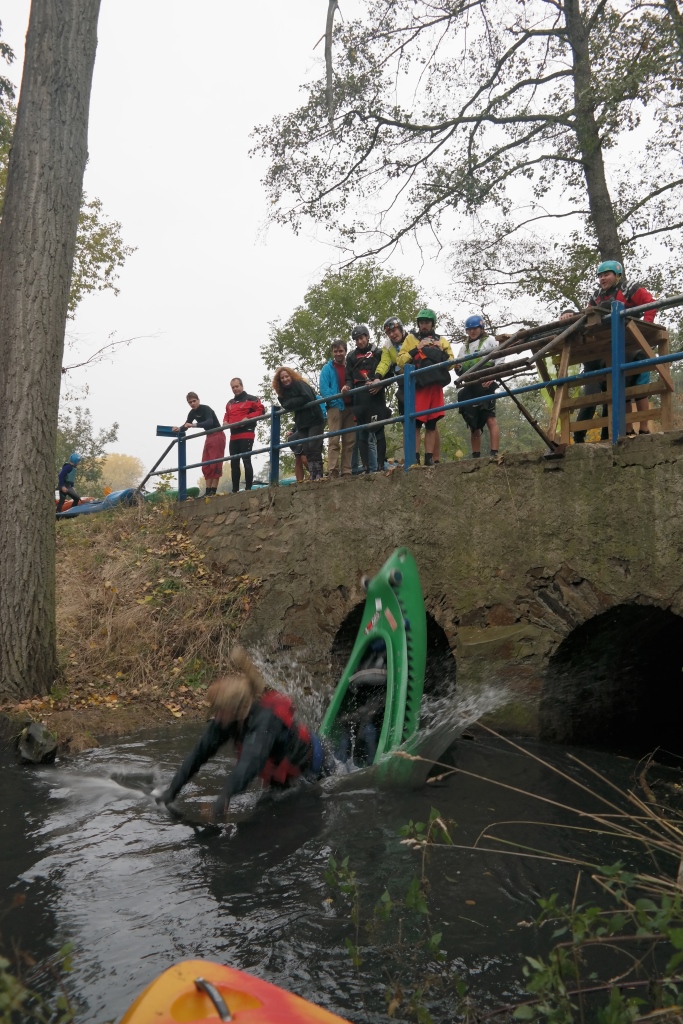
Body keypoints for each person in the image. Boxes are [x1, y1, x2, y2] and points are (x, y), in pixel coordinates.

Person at [155, 647, 331, 819]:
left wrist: (225, 796)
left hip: (314, 770)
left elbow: (250, 763)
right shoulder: (226, 721)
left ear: (237, 710)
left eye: (220, 710)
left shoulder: (265, 722)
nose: (217, 716)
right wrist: (172, 790)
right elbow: (198, 754)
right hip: (284, 779)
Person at [576, 261, 656, 441]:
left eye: (607, 274)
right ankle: (628, 429)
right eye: (600, 275)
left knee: (640, 388)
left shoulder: (628, 288)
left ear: (617, 275)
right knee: (623, 386)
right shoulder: (597, 295)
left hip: (635, 342)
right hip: (617, 346)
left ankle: (644, 428)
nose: (602, 278)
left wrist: (646, 327)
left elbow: (650, 303)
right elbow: (587, 315)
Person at [397, 309, 453, 465]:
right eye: (421, 323)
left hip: (435, 386)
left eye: (427, 322)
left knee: (432, 423)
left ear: (432, 324)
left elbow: (451, 364)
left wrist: (441, 350)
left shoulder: (441, 340)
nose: (424, 325)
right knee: (416, 423)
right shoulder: (411, 338)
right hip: (419, 386)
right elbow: (400, 361)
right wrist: (417, 348)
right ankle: (415, 459)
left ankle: (429, 459)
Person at [454, 315, 501, 459]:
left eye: (475, 328)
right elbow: (459, 369)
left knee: (490, 418)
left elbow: (500, 359)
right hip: (470, 386)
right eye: (469, 329)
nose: (472, 332)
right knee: (473, 423)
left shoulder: (490, 341)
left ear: (481, 328)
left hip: (486, 384)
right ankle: (476, 456)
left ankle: (494, 453)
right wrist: (458, 368)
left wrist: (492, 376)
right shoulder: (464, 347)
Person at [343, 325, 388, 473]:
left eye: (362, 338)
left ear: (367, 337)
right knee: (362, 432)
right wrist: (347, 387)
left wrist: (380, 385)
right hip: (360, 398)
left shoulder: (378, 352)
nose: (360, 341)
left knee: (379, 431)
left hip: (376, 396)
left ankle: (381, 466)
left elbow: (388, 373)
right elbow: (349, 378)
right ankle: (366, 468)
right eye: (356, 339)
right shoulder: (351, 357)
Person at [272, 367, 325, 480]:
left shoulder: (300, 384)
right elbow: (284, 404)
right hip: (301, 422)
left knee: (314, 446)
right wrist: (294, 403)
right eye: (282, 378)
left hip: (314, 418)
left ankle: (319, 475)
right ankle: (313, 475)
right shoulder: (283, 392)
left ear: (291, 376)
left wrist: (292, 402)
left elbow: (307, 397)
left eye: (287, 376)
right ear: (279, 381)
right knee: (306, 449)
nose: (285, 379)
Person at [173, 392, 225, 496]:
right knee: (206, 464)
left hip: (217, 434)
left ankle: (213, 491)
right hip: (209, 436)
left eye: (194, 401)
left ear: (198, 400)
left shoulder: (206, 409)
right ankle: (208, 490)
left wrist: (193, 425)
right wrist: (179, 428)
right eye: (190, 402)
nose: (192, 404)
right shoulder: (192, 413)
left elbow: (209, 422)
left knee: (215, 464)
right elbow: (186, 425)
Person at [319, 341, 355, 477]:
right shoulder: (327, 369)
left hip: (350, 407)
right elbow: (324, 389)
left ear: (345, 351)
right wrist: (336, 399)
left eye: (341, 351)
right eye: (335, 351)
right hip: (334, 407)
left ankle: (347, 470)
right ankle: (333, 470)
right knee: (334, 440)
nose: (338, 354)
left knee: (349, 440)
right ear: (332, 352)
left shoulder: (350, 367)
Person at [223, 379, 265, 493]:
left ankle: (248, 489)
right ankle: (235, 490)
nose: (235, 389)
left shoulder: (252, 399)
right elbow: (227, 414)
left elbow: (261, 411)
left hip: (247, 433)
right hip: (233, 435)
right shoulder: (230, 403)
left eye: (237, 386)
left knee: (246, 460)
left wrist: (248, 417)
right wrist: (225, 421)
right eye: (233, 387)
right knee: (234, 462)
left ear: (242, 386)